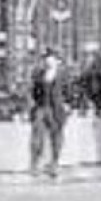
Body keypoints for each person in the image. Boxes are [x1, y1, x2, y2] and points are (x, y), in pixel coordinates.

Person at [29, 48, 71, 178]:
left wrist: (68, 103)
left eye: (51, 57)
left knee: (56, 137)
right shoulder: (39, 73)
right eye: (46, 57)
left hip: (57, 109)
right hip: (42, 107)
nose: (48, 60)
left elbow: (70, 90)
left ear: (57, 60)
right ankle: (35, 164)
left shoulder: (64, 74)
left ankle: (54, 164)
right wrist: (35, 104)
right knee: (37, 137)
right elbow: (34, 90)